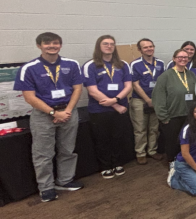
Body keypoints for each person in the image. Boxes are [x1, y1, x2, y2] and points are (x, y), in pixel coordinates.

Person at [14, 32, 84, 202]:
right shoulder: (29, 68)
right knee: (43, 153)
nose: (52, 46)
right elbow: (29, 97)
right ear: (39, 46)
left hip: (68, 112)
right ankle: (46, 188)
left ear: (60, 45)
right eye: (47, 43)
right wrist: (54, 113)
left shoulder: (72, 64)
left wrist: (66, 111)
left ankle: (65, 180)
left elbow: (77, 89)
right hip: (43, 115)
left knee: (67, 149)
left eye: (55, 43)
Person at [83, 35, 132, 179]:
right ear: (99, 46)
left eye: (112, 44)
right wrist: (114, 104)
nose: (109, 46)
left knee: (118, 137)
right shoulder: (90, 65)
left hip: (121, 107)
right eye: (105, 44)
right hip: (100, 110)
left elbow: (128, 86)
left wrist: (116, 99)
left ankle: (117, 163)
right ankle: (105, 166)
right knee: (102, 139)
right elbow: (92, 90)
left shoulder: (122, 64)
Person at [154, 49, 196, 162]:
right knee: (172, 142)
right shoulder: (165, 76)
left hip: (188, 115)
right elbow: (158, 98)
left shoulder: (191, 75)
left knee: (187, 140)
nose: (183, 59)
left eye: (185, 57)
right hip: (172, 116)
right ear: (174, 58)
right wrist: (163, 117)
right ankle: (172, 163)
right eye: (180, 57)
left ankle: (186, 162)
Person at [130, 38, 165, 165]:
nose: (149, 49)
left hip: (156, 101)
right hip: (140, 100)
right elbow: (135, 84)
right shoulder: (135, 64)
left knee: (154, 128)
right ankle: (140, 153)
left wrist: (156, 100)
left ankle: (152, 150)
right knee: (140, 128)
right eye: (145, 47)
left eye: (151, 46)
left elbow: (162, 83)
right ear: (140, 50)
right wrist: (147, 100)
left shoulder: (160, 63)